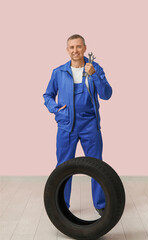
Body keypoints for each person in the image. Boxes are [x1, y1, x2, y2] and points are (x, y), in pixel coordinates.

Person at [43, 34, 112, 216]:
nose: (75, 50)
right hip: (66, 125)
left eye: (79, 47)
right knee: (64, 166)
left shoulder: (95, 68)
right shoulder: (58, 72)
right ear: (67, 50)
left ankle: (101, 205)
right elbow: (47, 95)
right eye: (72, 47)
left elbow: (106, 94)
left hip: (90, 124)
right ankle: (62, 204)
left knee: (97, 165)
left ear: (85, 48)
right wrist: (56, 109)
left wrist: (95, 75)